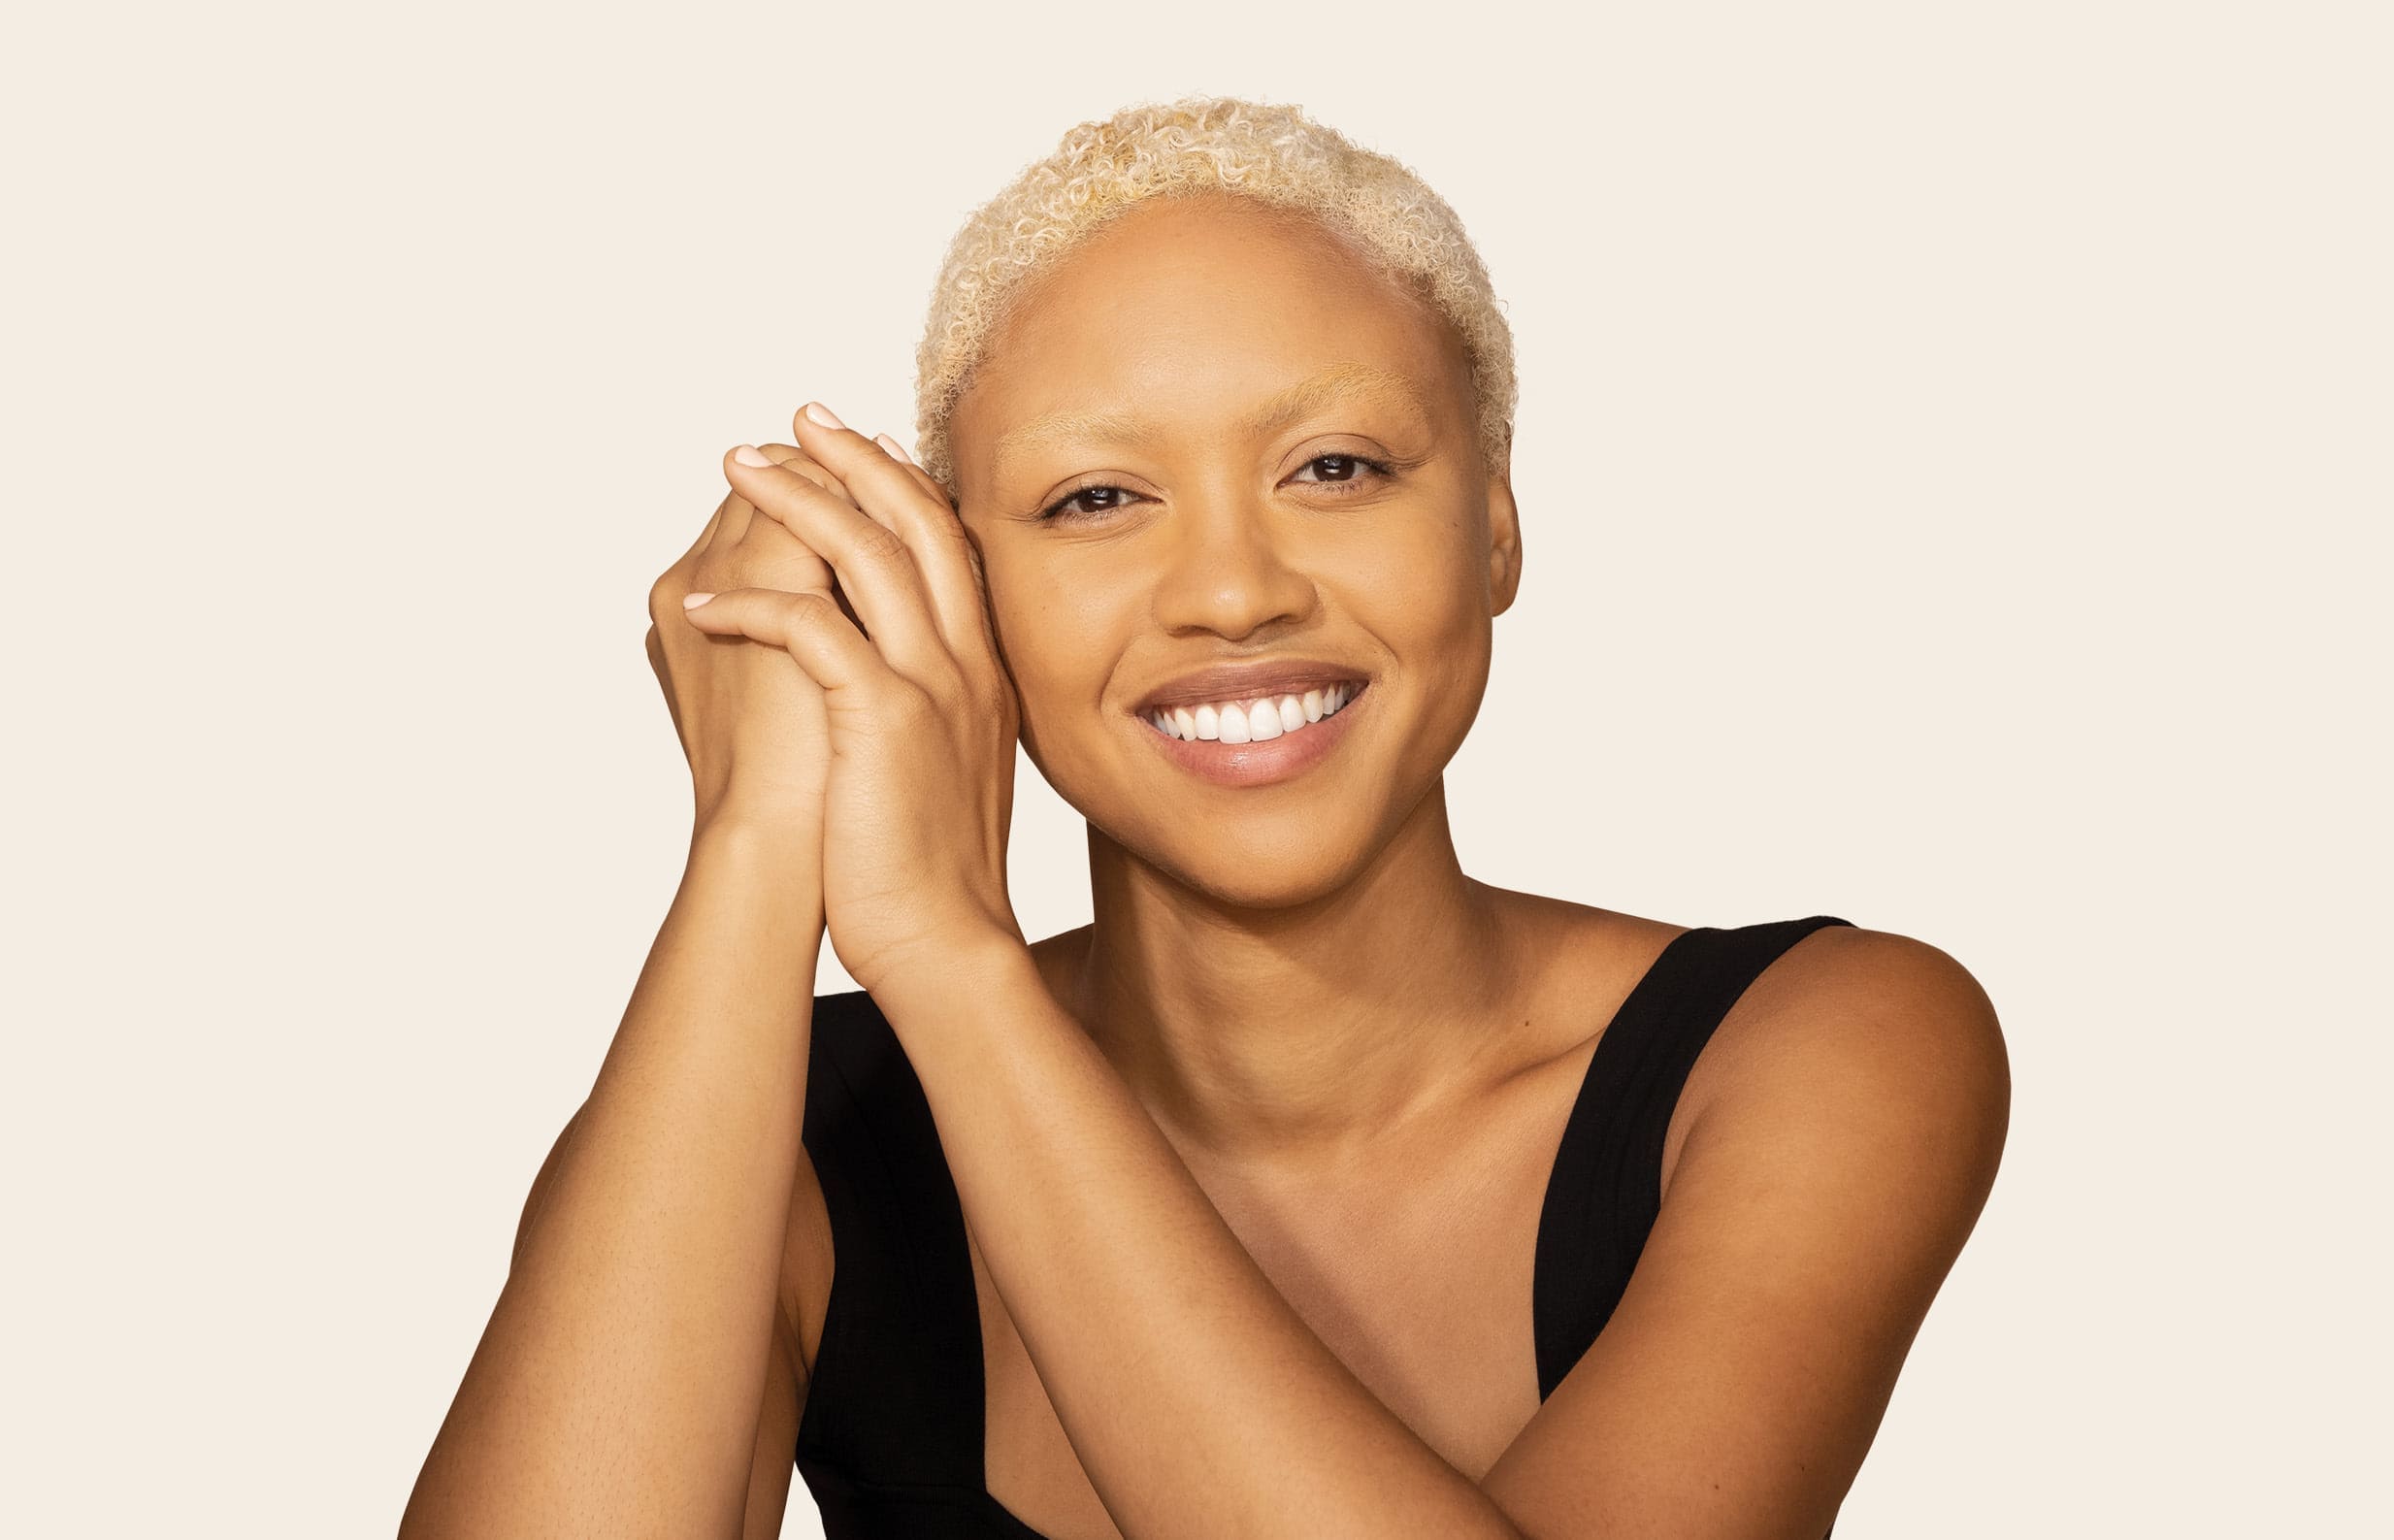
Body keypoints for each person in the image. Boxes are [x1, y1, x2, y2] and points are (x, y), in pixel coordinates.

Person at [402, 95, 2011, 1539]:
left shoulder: (1823, 1047)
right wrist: (758, 843)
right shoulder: (794, 1133)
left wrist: (950, 958)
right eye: (1097, 499)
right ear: (957, 592)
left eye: (1336, 467)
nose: (1236, 591)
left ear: (1497, 529)